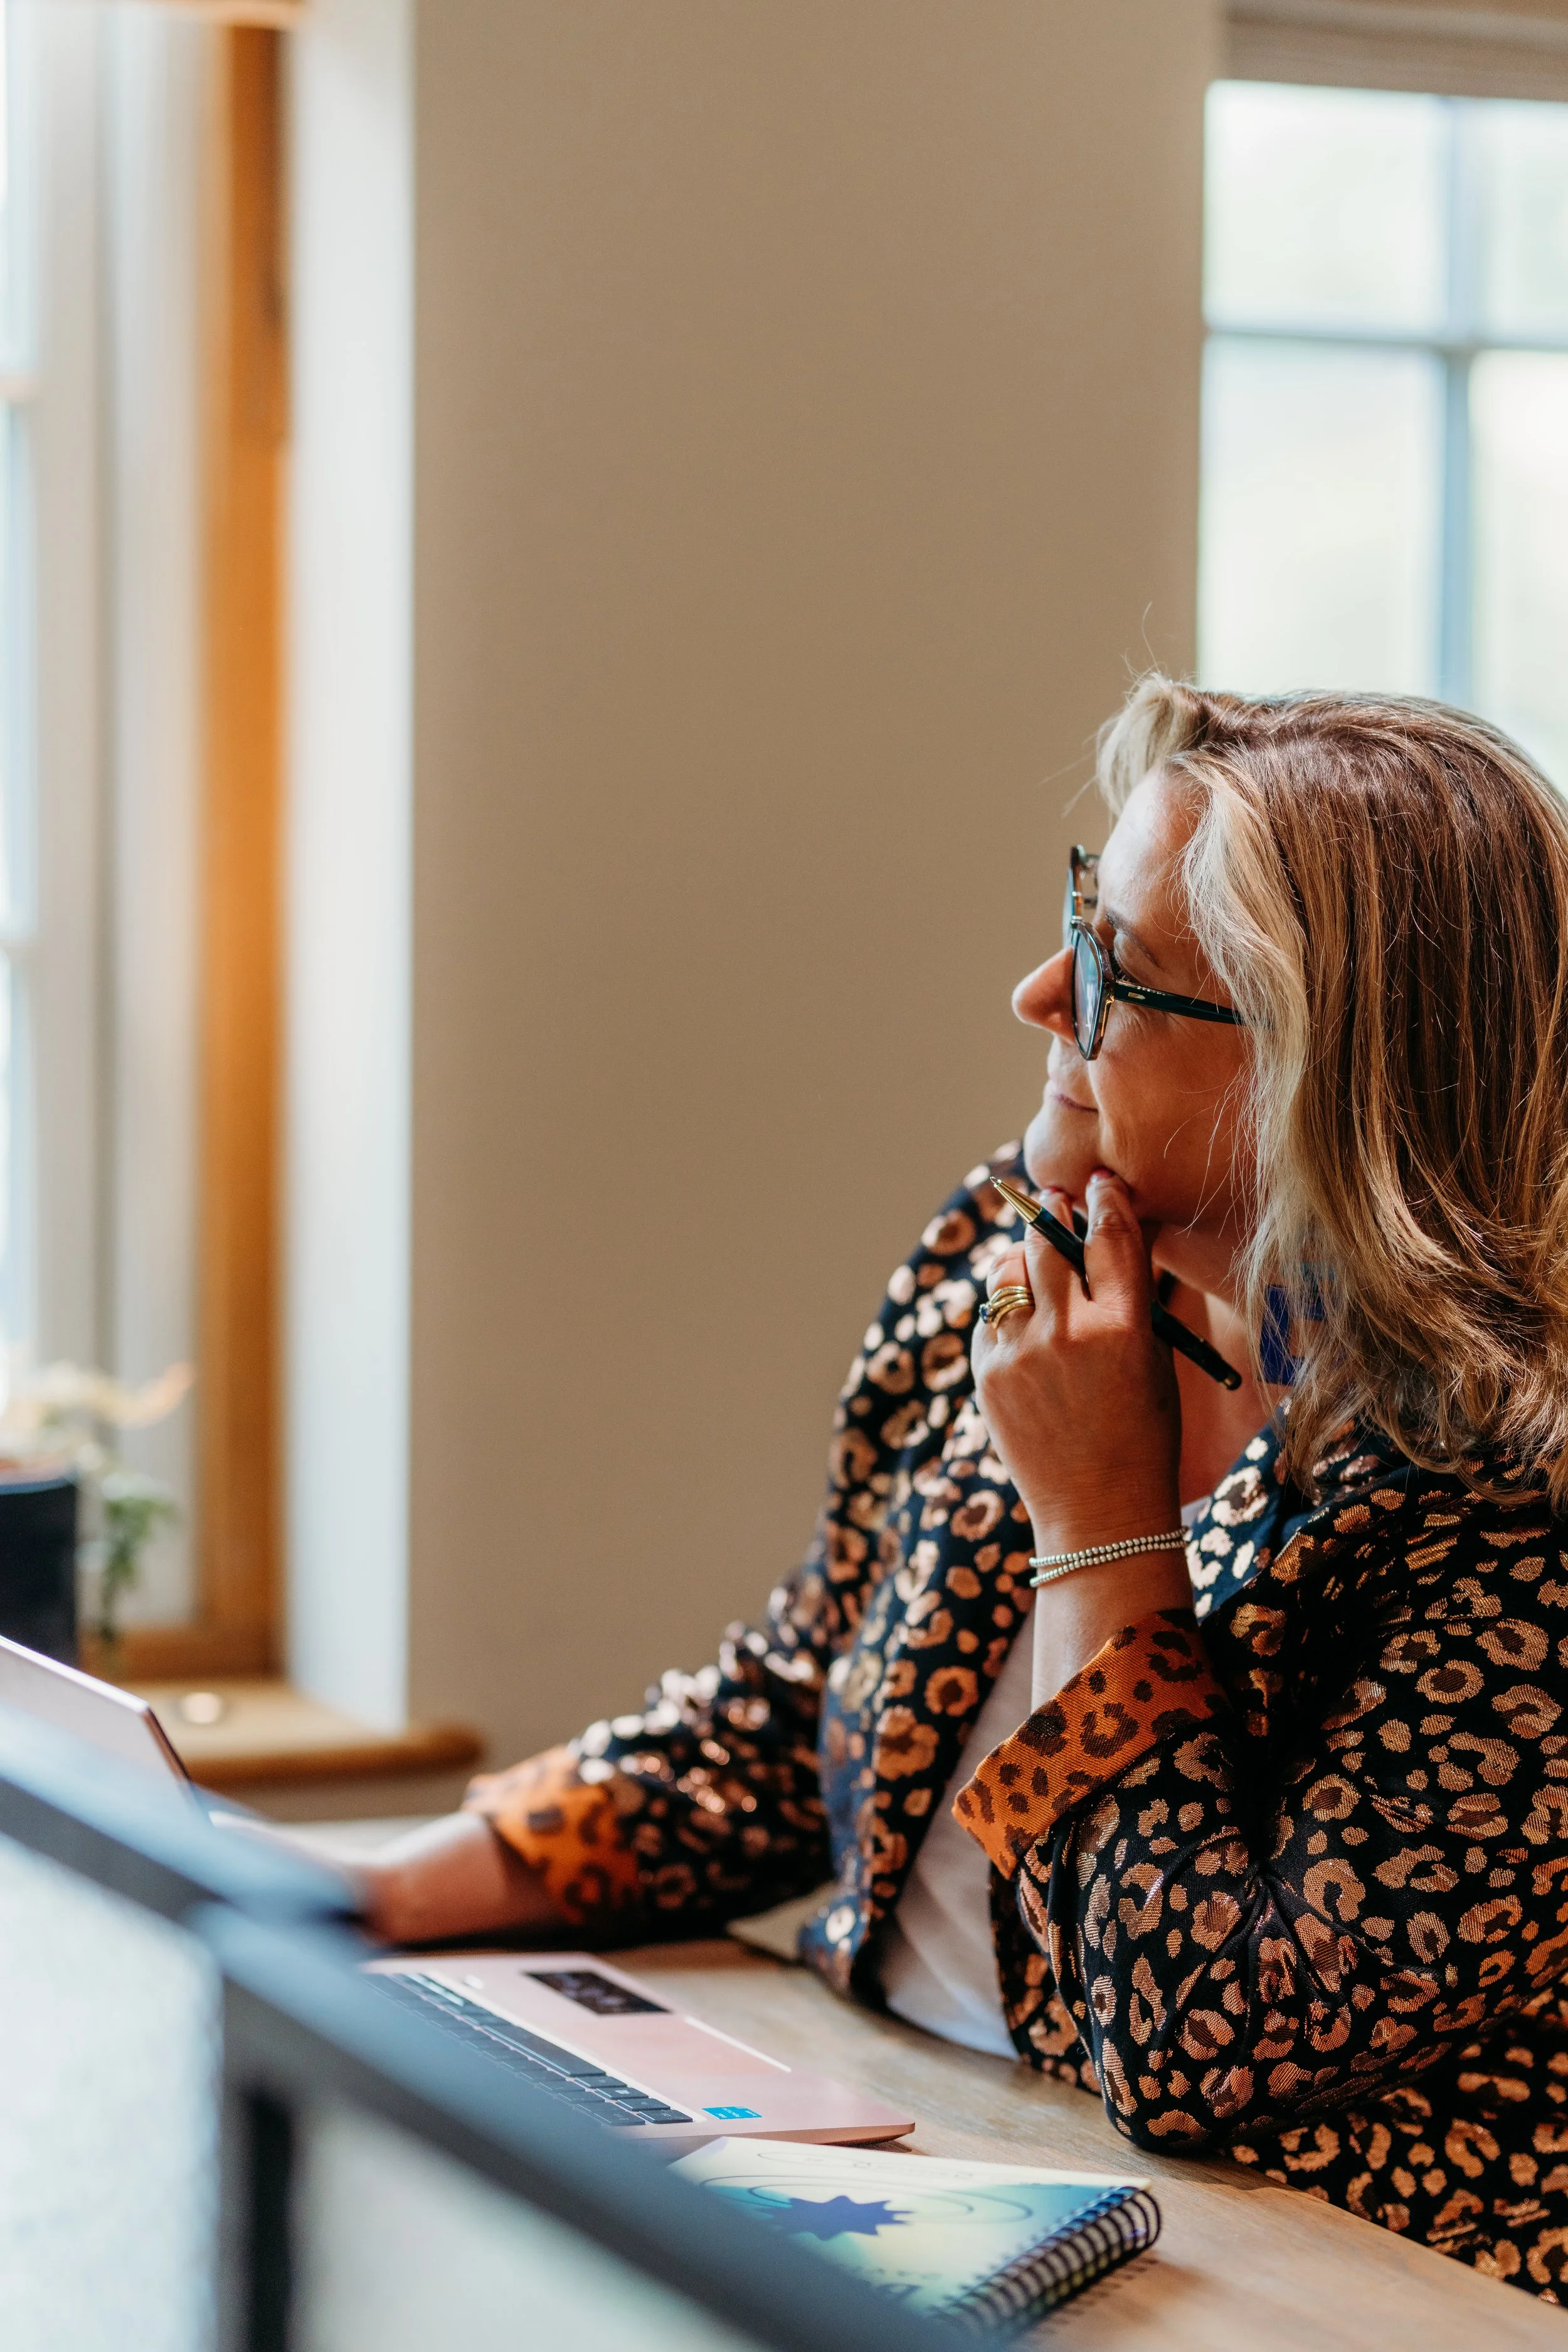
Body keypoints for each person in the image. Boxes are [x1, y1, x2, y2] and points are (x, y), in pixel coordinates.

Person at [356, 675, 1568, 2301]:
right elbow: (805, 1701)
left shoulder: (1513, 1495)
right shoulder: (1011, 1262)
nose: (1032, 992)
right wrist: (363, 1890)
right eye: (1078, 913)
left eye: (1115, 974)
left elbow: (1194, 2039)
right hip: (919, 2164)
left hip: (1318, 2287)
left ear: (1318, 1069)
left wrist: (1101, 1524)